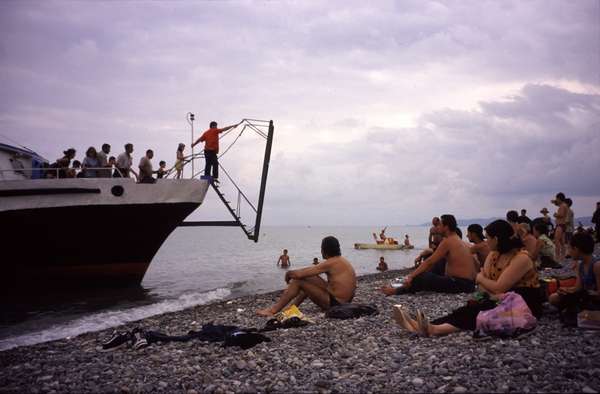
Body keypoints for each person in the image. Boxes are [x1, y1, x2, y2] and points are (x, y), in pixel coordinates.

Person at [393, 220, 542, 336]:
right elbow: (485, 286)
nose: (486, 240)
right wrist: (486, 284)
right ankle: (426, 325)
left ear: (496, 239)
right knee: (468, 309)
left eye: (488, 237)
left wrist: (481, 278)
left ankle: (434, 329)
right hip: (499, 297)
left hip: (523, 302)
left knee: (478, 312)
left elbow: (497, 286)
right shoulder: (494, 254)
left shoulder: (522, 258)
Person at [257, 236, 357, 316]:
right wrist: (296, 274)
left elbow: (299, 274)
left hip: (337, 305)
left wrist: (288, 273)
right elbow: (308, 273)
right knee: (308, 278)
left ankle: (273, 311)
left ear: (324, 250)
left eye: (321, 248)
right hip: (342, 301)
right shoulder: (340, 260)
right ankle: (291, 307)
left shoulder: (331, 263)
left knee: (298, 281)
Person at [380, 214, 476, 295]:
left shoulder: (448, 241)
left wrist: (411, 276)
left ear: (446, 227)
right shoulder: (460, 241)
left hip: (460, 285)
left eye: (440, 225)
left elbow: (429, 262)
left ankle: (397, 291)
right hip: (469, 284)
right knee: (440, 263)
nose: (438, 227)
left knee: (424, 277)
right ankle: (411, 282)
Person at [548, 233, 600, 326]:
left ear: (576, 249)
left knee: (575, 308)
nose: (569, 252)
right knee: (553, 297)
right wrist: (566, 290)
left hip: (594, 300)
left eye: (569, 248)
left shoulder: (596, 265)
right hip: (584, 298)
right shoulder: (581, 265)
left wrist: (584, 294)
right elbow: (578, 287)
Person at [552, 193, 569, 261]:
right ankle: (563, 256)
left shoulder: (562, 206)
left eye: (557, 198)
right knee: (562, 242)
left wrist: (555, 215)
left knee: (557, 240)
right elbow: (557, 204)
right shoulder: (564, 205)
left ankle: (557, 256)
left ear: (559, 198)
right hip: (563, 225)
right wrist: (554, 202)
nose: (556, 200)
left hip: (560, 225)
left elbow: (561, 215)